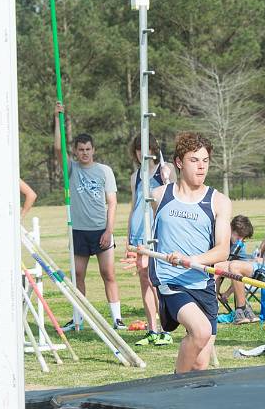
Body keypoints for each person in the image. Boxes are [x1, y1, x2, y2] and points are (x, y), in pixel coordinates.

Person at [139, 131, 231, 373]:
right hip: (171, 280)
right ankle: (174, 388)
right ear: (179, 162)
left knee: (200, 363)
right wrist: (137, 247)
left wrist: (193, 260)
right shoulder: (160, 196)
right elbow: (141, 227)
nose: (201, 167)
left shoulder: (218, 201)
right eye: (194, 160)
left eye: (205, 161)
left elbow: (223, 249)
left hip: (203, 283)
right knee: (201, 331)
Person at [54, 102, 124, 331]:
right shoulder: (72, 169)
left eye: (88, 149)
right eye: (80, 149)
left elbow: (112, 203)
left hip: (101, 230)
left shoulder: (104, 171)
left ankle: (117, 318)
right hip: (79, 231)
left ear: (93, 150)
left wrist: (108, 231)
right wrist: (58, 119)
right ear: (75, 151)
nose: (84, 153)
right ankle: (79, 318)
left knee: (108, 274)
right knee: (78, 274)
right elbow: (57, 149)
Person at [125, 134, 176, 346]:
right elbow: (133, 207)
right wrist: (128, 237)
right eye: (138, 149)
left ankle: (165, 328)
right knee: (144, 281)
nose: (141, 153)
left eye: (145, 148)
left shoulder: (166, 169)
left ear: (154, 149)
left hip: (156, 234)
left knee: (156, 281)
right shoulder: (135, 176)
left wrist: (168, 179)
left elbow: (173, 196)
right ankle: (152, 329)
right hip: (138, 235)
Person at [214, 215, 254, 308]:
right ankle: (213, 303)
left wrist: (227, 293)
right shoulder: (218, 236)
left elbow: (243, 270)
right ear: (230, 229)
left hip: (222, 270)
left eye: (243, 238)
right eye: (239, 236)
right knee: (217, 268)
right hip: (210, 269)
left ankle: (241, 308)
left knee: (237, 271)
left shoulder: (239, 246)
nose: (240, 241)